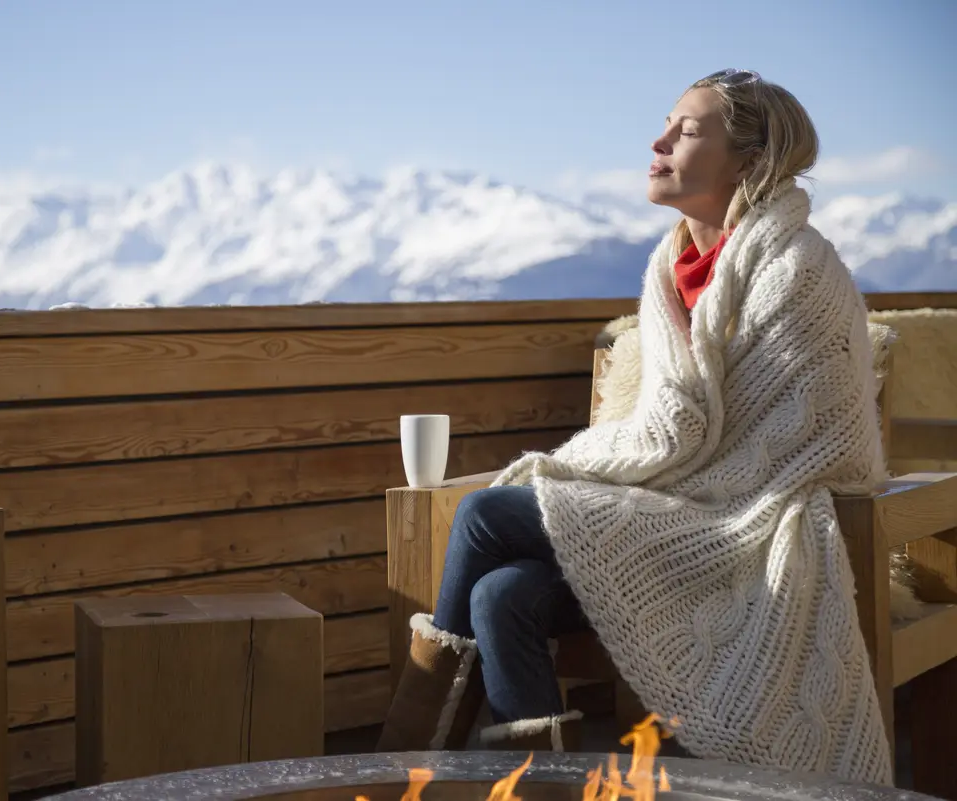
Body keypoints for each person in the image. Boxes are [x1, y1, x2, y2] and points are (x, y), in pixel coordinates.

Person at [375, 69, 894, 787]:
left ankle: (407, 763)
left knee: (487, 512)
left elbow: (788, 441)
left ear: (750, 158)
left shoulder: (801, 268)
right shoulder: (669, 268)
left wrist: (597, 470)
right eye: (665, 125)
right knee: (499, 596)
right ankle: (536, 786)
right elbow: (669, 427)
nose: (657, 141)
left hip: (736, 522)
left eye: (686, 130)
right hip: (664, 513)